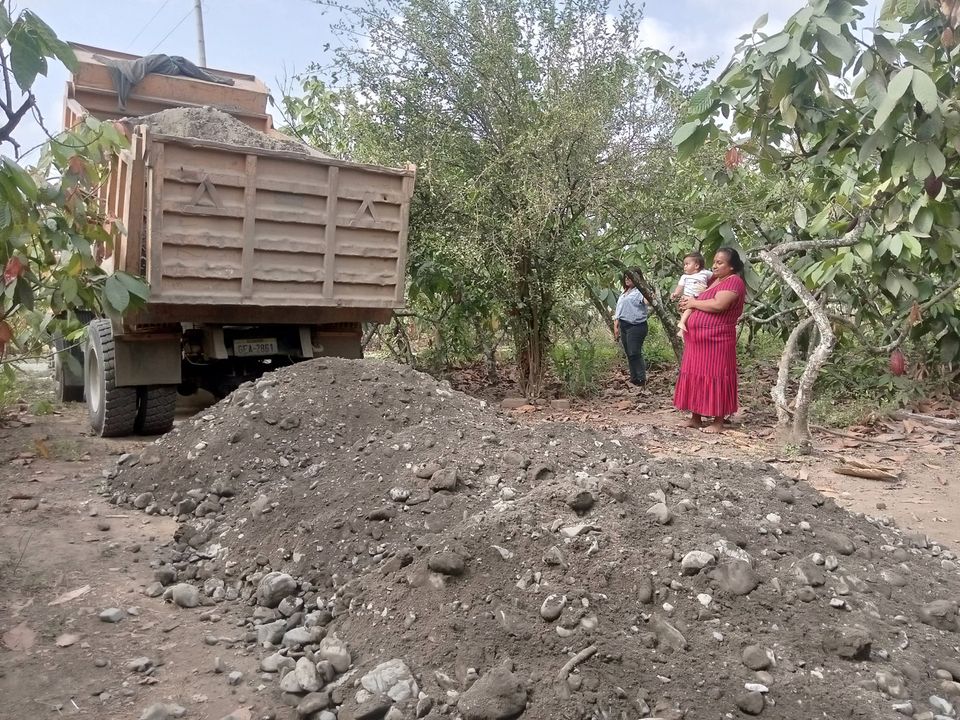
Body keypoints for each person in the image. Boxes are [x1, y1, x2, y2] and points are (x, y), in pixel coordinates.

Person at [673, 247, 747, 433]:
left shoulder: (734, 282)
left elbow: (719, 304)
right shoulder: (713, 280)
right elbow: (698, 298)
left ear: (731, 266)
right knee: (696, 375)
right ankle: (695, 418)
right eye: (714, 262)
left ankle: (718, 421)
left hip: (717, 340)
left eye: (720, 262)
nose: (714, 266)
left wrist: (694, 303)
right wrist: (686, 304)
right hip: (696, 342)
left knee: (716, 376)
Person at [613, 268, 650, 389]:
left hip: (636, 325)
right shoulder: (624, 293)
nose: (627, 279)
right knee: (629, 353)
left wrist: (648, 293)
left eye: (630, 277)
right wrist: (616, 325)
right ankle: (634, 378)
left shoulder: (640, 292)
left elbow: (647, 301)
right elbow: (618, 310)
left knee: (635, 352)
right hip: (624, 325)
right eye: (626, 277)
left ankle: (641, 378)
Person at [670, 252, 713, 339]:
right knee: (687, 310)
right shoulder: (684, 277)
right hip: (688, 297)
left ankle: (685, 329)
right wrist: (676, 293)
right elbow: (680, 287)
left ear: (696, 266)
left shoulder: (705, 273)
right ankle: (682, 326)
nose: (684, 266)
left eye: (687, 264)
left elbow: (716, 277)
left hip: (701, 299)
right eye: (684, 264)